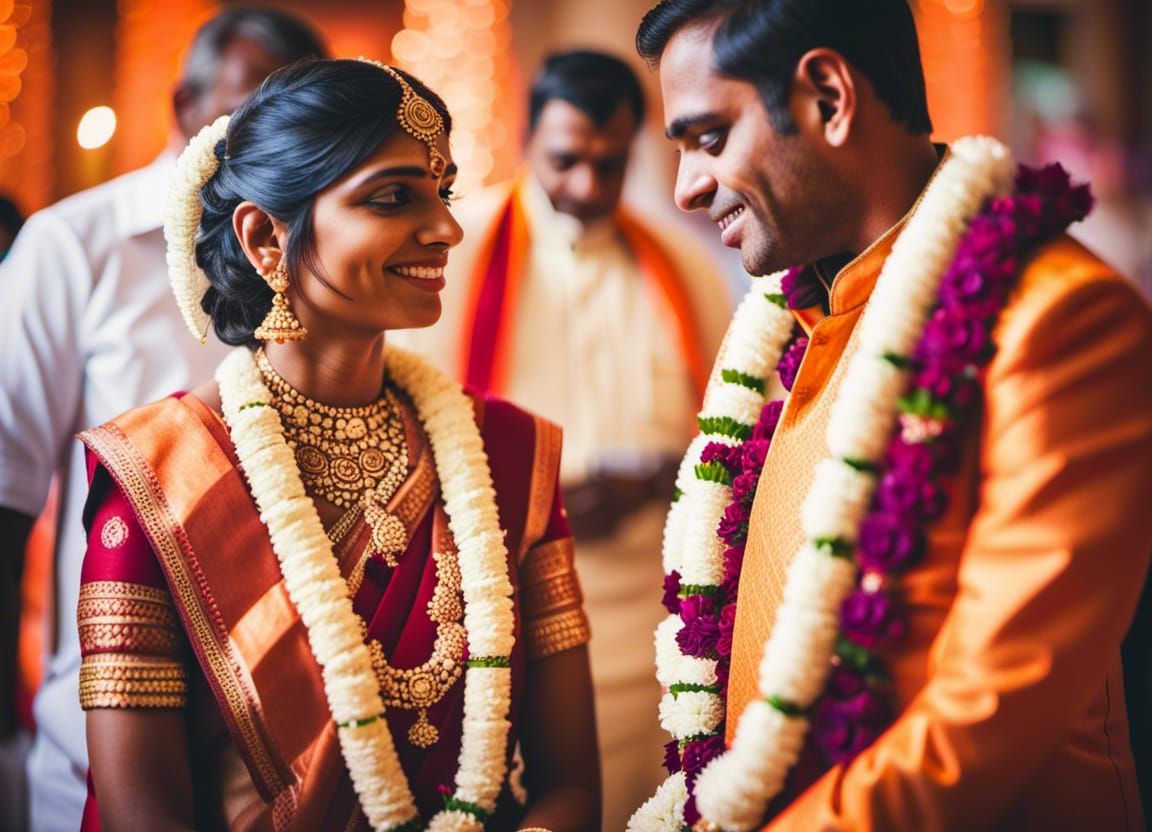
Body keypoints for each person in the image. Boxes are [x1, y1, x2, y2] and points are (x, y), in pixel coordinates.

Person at [626, 1, 1152, 830]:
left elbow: (984, 719)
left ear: (829, 99)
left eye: (709, 139)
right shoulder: (801, 329)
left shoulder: (1058, 320)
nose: (688, 188)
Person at [76, 58, 600, 831]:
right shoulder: (158, 479)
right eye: (394, 197)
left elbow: (571, 787)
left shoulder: (509, 458)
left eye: (443, 191)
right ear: (264, 236)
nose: (448, 227)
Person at [0, 9, 328, 829]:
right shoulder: (74, 246)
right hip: (95, 744)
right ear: (185, 106)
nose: (274, 148)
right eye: (249, 113)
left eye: (298, 126)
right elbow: (5, 499)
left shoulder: (321, 262)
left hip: (292, 756)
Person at [393, 49, 732, 830]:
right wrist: (534, 494)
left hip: (652, 614)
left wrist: (651, 482)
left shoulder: (683, 264)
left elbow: (728, 436)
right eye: (566, 160)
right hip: (501, 601)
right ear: (526, 141)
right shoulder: (451, 253)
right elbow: (406, 426)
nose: (585, 184)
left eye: (609, 164)